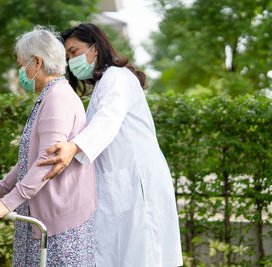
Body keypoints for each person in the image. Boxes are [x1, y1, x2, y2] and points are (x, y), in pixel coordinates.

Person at [38, 23, 183, 266]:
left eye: (74, 51)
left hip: (138, 183)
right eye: (68, 56)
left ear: (95, 48)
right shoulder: (104, 83)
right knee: (121, 253)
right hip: (120, 185)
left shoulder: (118, 77)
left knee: (142, 254)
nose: (71, 60)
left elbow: (108, 119)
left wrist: (73, 147)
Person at [0, 26, 96, 266]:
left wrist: (6, 203)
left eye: (22, 65)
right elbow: (28, 161)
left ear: (37, 62)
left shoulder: (58, 97)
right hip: (44, 218)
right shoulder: (49, 96)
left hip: (59, 225)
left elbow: (46, 163)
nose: (21, 71)